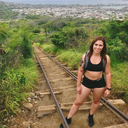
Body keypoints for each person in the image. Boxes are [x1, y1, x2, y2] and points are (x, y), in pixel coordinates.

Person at [60, 36, 111, 127]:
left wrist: (108, 88)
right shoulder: (85, 57)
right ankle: (68, 118)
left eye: (100, 45)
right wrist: (78, 85)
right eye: (96, 44)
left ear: (103, 47)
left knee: (96, 101)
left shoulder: (106, 58)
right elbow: (80, 71)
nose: (97, 47)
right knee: (78, 102)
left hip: (99, 83)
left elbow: (107, 73)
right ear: (92, 45)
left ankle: (91, 115)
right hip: (87, 82)